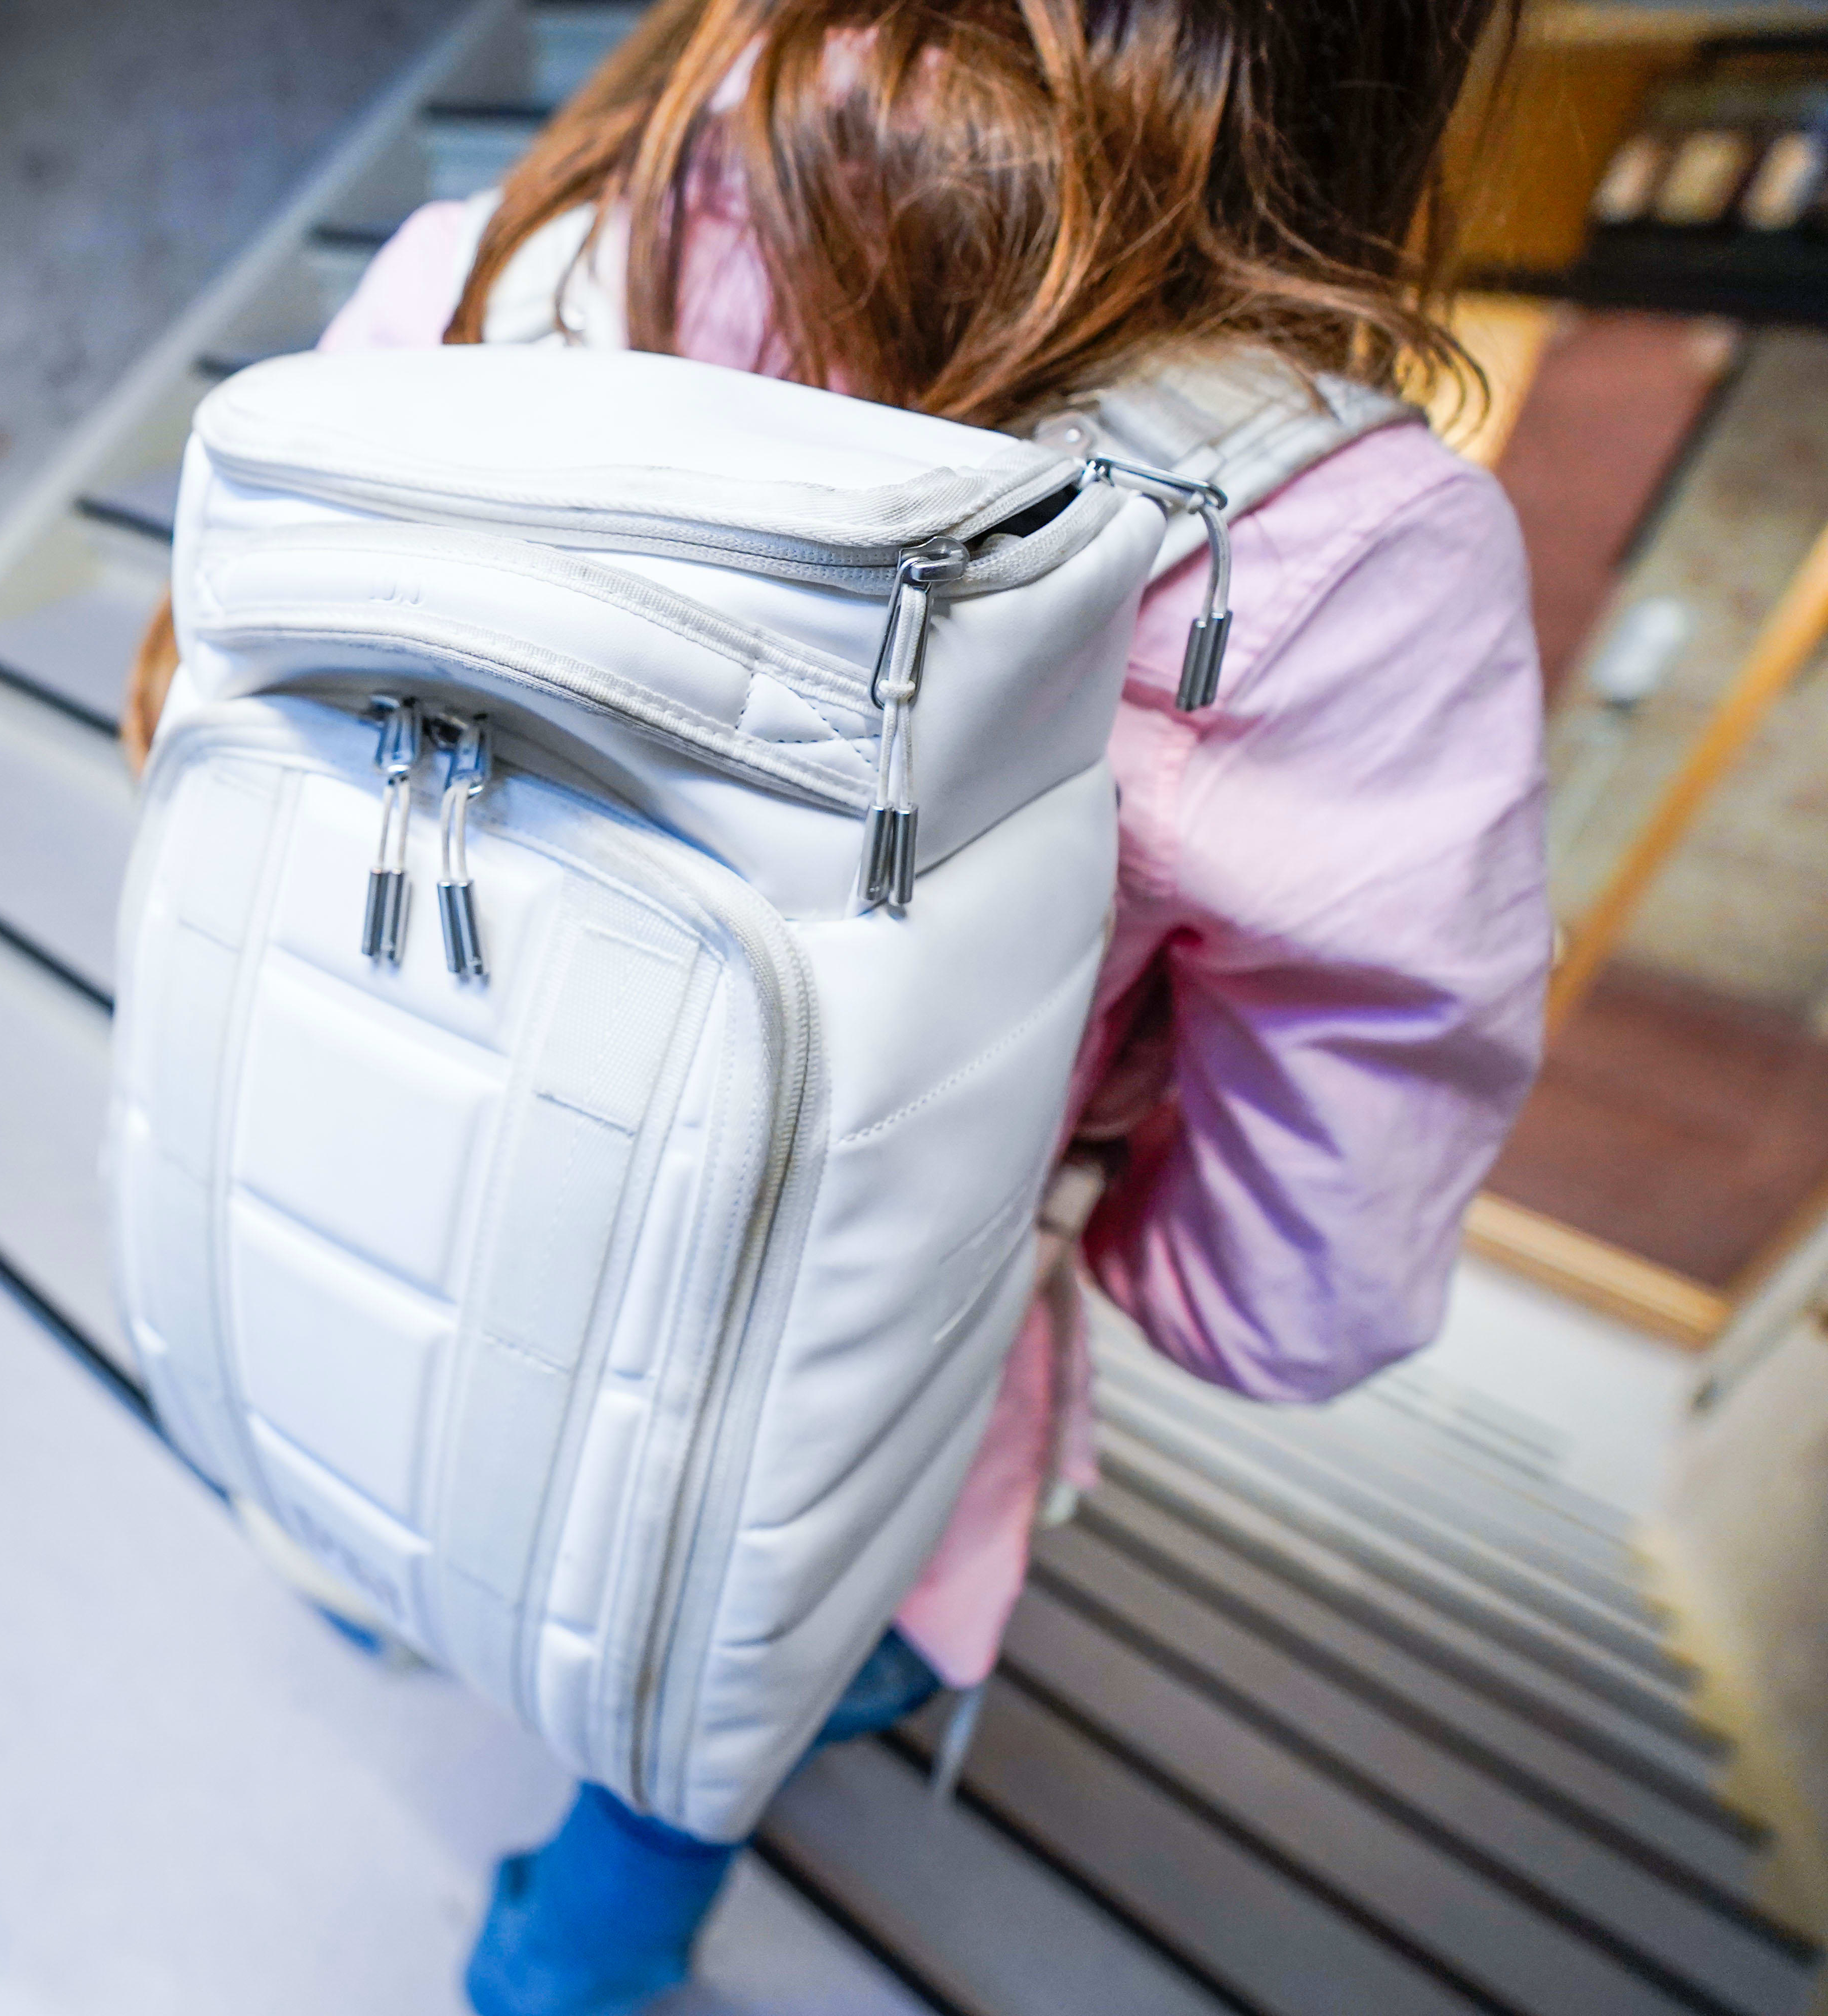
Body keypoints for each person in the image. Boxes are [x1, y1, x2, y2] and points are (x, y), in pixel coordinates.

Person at [129, 2, 1550, 2009]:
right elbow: (1292, 1297)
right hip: (800, 1387)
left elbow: (205, 722)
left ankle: (387, 1580)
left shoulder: (486, 261)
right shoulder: (1334, 544)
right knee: (727, 1666)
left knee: (422, 1448)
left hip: (353, 1186)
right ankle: (567, 1961)